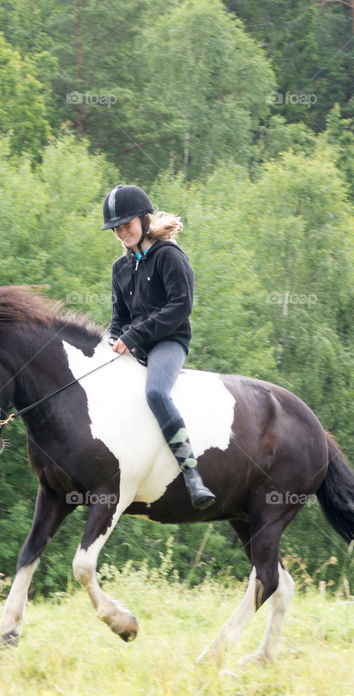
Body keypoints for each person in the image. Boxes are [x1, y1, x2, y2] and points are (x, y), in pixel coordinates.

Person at [102, 184, 216, 510]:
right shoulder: (120, 269)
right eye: (117, 228)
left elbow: (180, 307)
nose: (122, 232)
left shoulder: (169, 256)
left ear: (144, 219)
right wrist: (112, 341)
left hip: (169, 341)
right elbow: (118, 318)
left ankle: (191, 472)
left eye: (127, 225)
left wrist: (133, 337)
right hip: (135, 347)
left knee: (155, 394)